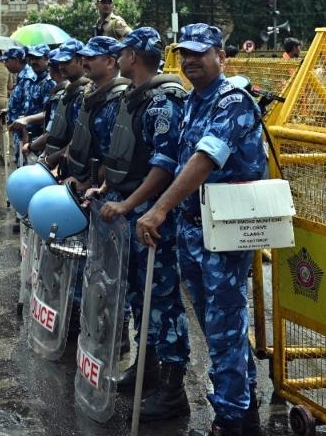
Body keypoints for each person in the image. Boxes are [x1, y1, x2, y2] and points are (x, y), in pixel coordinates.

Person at [136, 24, 267, 436]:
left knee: (225, 326)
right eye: (184, 54)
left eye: (199, 52)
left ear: (220, 55)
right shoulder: (193, 102)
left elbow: (203, 160)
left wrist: (158, 210)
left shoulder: (233, 102)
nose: (190, 60)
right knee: (217, 327)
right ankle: (243, 410)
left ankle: (229, 420)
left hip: (226, 231)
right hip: (194, 229)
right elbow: (173, 160)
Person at [90, 28, 192, 420]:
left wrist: (130, 204)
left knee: (163, 301)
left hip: (151, 214)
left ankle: (172, 388)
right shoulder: (136, 99)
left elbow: (163, 168)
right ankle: (146, 371)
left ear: (134, 56)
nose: (120, 57)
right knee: (140, 296)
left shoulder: (163, 101)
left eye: (124, 52)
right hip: (131, 212)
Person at [60, 37, 128, 192]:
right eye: (83, 58)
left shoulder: (120, 99)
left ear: (110, 62)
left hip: (101, 190)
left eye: (91, 58)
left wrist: (86, 186)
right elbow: (78, 135)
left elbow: (114, 156)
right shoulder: (88, 93)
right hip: (79, 179)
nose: (84, 63)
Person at [25, 40, 88, 168]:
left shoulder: (86, 93)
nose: (61, 67)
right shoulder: (68, 91)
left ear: (81, 61)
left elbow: (79, 140)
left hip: (75, 165)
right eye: (60, 63)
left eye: (66, 62)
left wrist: (51, 159)